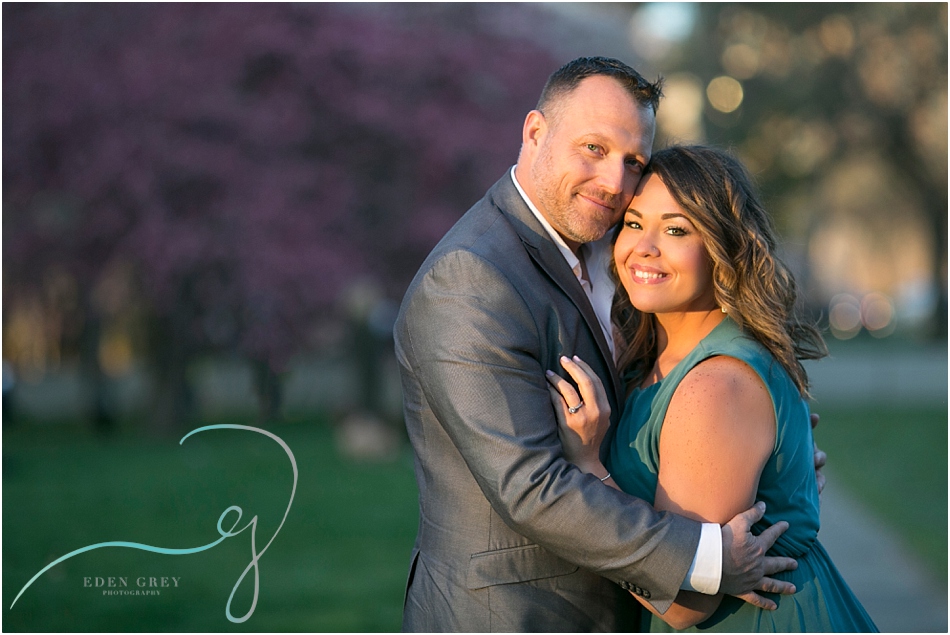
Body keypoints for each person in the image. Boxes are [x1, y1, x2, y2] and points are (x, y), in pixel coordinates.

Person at [395, 57, 822, 632]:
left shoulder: (609, 245)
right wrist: (710, 556)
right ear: (535, 133)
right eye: (593, 149)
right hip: (517, 616)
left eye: (633, 161)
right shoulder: (472, 277)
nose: (615, 183)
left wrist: (763, 463)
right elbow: (531, 486)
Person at [548, 145, 877, 631]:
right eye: (635, 223)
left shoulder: (715, 386)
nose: (644, 246)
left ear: (723, 250)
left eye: (676, 230)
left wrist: (588, 468)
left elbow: (684, 604)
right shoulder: (651, 358)